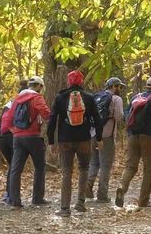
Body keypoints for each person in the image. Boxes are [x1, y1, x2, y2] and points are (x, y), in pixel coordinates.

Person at [46, 70, 102, 217]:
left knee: (67, 172)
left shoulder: (60, 97)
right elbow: (97, 119)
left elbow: (52, 120)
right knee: (84, 169)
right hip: (84, 139)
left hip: (65, 140)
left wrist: (51, 141)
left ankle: (65, 208)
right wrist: (100, 138)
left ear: (68, 82)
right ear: (81, 82)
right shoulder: (89, 98)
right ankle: (80, 203)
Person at [115, 76, 151, 210]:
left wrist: (130, 128)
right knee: (149, 167)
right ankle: (143, 200)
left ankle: (122, 187)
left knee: (130, 166)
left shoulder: (135, 97)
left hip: (132, 135)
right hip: (148, 136)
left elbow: (126, 112)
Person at [5, 76, 52, 211]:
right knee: (39, 167)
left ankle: (15, 200)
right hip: (33, 137)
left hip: (18, 138)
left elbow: (8, 119)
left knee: (16, 169)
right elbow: (45, 113)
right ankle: (37, 198)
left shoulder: (17, 99)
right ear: (39, 86)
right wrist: (53, 119)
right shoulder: (36, 98)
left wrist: (14, 131)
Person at [85, 77, 125, 203]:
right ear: (114, 86)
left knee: (94, 163)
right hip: (106, 136)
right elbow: (119, 116)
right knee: (106, 166)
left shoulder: (96, 97)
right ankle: (102, 194)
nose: (120, 89)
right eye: (119, 86)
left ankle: (87, 185)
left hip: (92, 134)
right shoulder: (116, 99)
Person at [0, 78, 25, 206]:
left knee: (13, 167)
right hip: (13, 138)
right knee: (15, 168)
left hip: (2, 139)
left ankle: (8, 194)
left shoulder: (8, 104)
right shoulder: (25, 102)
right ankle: (12, 196)